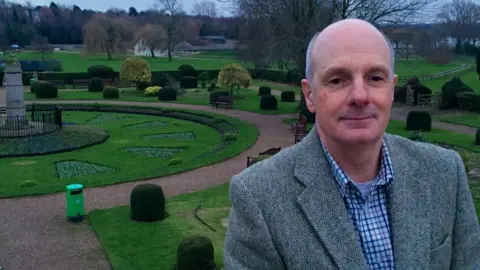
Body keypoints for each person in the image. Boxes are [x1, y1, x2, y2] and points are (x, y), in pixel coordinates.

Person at [223, 18, 480, 269]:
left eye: (375, 78)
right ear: (309, 95)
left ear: (391, 90)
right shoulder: (257, 196)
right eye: (337, 79)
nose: (359, 95)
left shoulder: (445, 171)